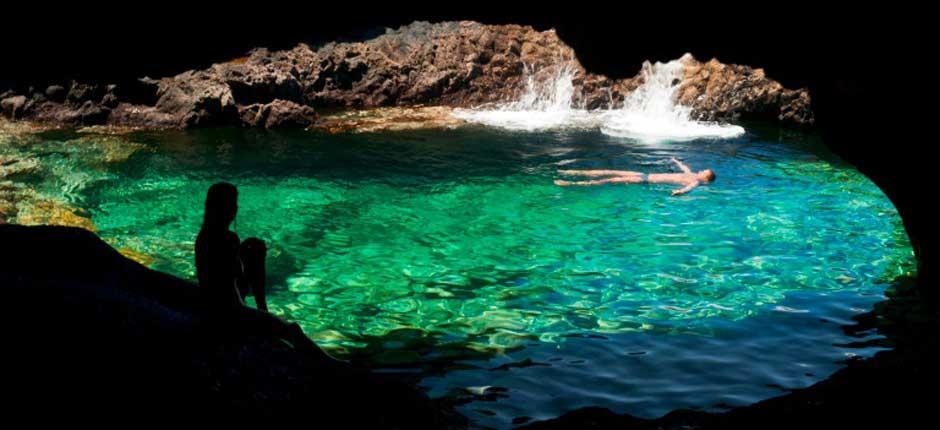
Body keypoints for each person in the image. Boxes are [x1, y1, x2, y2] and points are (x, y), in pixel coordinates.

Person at [554, 158, 716, 196]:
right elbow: (684, 168)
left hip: (645, 180)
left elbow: (689, 188)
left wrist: (679, 192)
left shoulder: (695, 181)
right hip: (646, 175)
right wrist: (676, 161)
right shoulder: (691, 174)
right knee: (609, 171)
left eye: (705, 171)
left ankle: (570, 183)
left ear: (706, 178)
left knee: (611, 180)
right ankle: (571, 173)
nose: (702, 170)